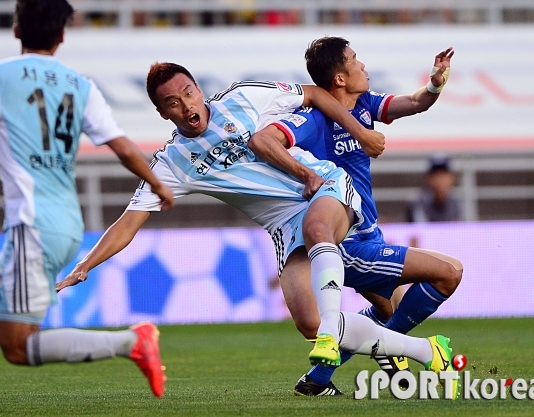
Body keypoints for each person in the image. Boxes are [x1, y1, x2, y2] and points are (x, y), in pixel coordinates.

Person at [56, 62, 460, 399]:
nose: (185, 106)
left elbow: (316, 95)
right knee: (308, 321)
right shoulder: (172, 162)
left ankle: (348, 334)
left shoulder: (244, 96)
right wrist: (86, 264)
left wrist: (361, 131)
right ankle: (422, 349)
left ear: (199, 90)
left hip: (322, 188)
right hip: (285, 228)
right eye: (172, 103)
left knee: (320, 230)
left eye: (188, 94)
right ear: (163, 114)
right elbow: (127, 223)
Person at [249, 37, 463, 396]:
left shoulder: (364, 103)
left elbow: (413, 103)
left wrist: (435, 83)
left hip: (371, 233)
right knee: (449, 273)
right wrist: (305, 175)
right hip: (344, 239)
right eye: (354, 59)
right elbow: (269, 139)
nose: (363, 64)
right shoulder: (313, 118)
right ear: (339, 79)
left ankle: (317, 380)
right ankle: (393, 351)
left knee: (385, 308)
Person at [0, 0, 175, 398]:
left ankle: (131, 342)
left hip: (33, 225)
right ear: (62, 35)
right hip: (63, 224)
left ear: (16, 27)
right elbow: (124, 147)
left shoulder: (4, 77)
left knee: (17, 346)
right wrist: (158, 183)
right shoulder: (80, 86)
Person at [407, 153, 463, 223]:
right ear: (427, 178)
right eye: (435, 175)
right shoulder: (418, 204)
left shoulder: (458, 204)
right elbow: (421, 230)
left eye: (443, 175)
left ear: (452, 178)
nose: (439, 180)